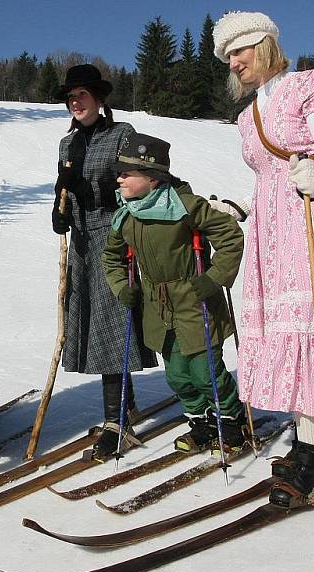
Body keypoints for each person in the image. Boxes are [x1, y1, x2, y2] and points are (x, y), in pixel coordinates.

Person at [213, 11, 314, 505]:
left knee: (307, 328)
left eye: (242, 50)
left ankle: (313, 454)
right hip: (269, 233)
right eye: (228, 56)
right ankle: (303, 442)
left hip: (306, 221)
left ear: (266, 46)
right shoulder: (248, 113)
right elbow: (269, 175)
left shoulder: (305, 86)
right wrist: (243, 206)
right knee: (282, 331)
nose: (235, 62)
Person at [102, 134, 248, 455]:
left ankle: (232, 421)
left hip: (196, 301)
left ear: (153, 178)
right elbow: (112, 257)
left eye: (128, 173)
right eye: (119, 172)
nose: (119, 178)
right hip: (157, 307)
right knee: (178, 376)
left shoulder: (185, 206)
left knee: (206, 371)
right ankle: (201, 423)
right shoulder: (126, 214)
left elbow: (229, 235)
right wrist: (122, 288)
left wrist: (215, 278)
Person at [52, 64, 157, 462]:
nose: (75, 102)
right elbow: (61, 186)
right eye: (70, 97)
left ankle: (117, 422)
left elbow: (135, 184)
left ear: (99, 98)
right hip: (80, 242)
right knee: (92, 321)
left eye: (82, 95)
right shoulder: (66, 145)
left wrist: (92, 190)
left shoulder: (121, 135)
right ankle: (125, 400)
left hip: (114, 236)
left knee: (111, 325)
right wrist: (59, 210)